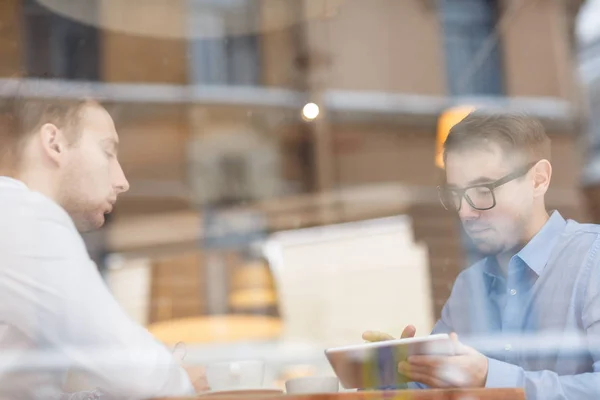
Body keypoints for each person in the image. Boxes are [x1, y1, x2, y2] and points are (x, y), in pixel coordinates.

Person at [363, 112, 600, 399]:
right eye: (456, 194)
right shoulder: (468, 286)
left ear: (538, 180)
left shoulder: (593, 259)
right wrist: (401, 373)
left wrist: (489, 377)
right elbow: (443, 385)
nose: (465, 212)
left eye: (483, 190)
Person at [0, 87, 207, 399]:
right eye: (108, 152)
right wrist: (178, 379)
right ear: (54, 143)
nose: (122, 181)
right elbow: (138, 375)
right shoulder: (22, 216)